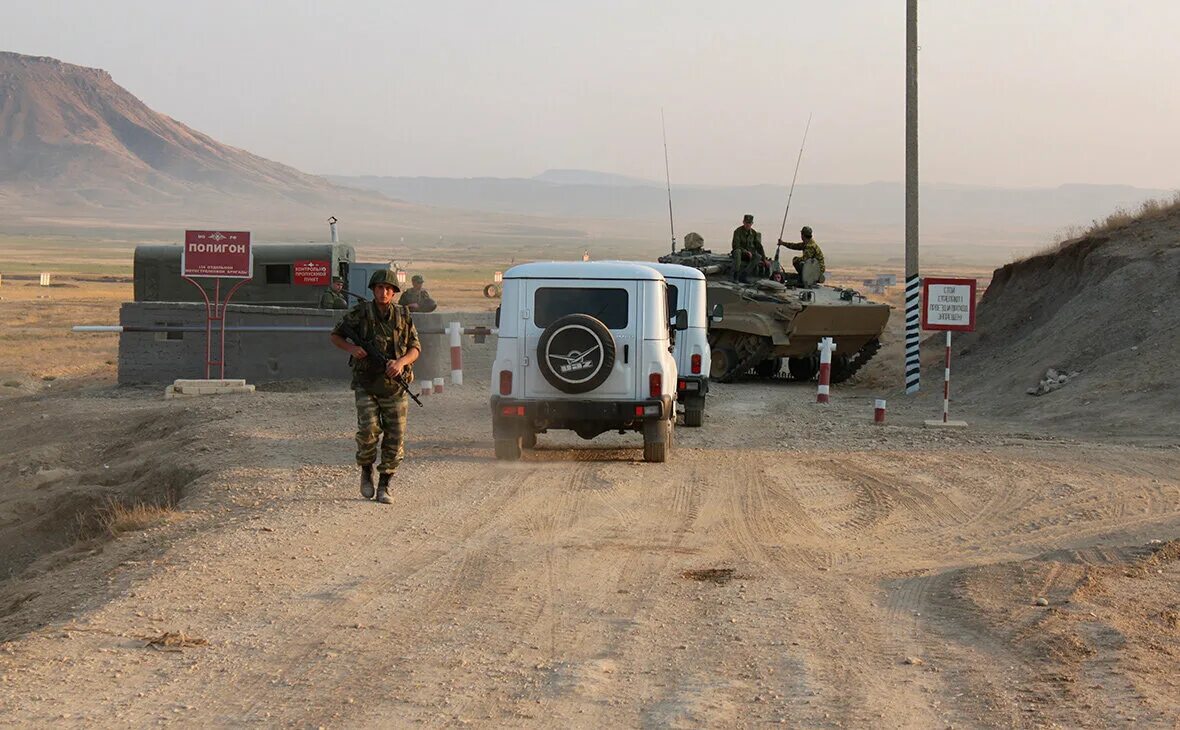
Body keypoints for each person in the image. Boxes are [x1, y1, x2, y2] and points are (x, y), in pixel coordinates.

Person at [329, 270, 421, 505]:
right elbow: (336, 336)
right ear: (373, 290)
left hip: (395, 386)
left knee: (396, 435)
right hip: (366, 382)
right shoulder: (360, 313)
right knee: (369, 431)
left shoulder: (403, 315)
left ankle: (385, 484)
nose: (384, 292)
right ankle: (366, 469)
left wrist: (400, 363)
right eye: (379, 288)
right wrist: (352, 350)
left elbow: (415, 348)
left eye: (388, 288)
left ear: (394, 292)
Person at [731, 214, 765, 280]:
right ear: (743, 222)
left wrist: (764, 259)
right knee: (737, 252)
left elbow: (759, 247)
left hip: (749, 255)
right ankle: (736, 274)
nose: (748, 225)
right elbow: (736, 245)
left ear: (752, 223)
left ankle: (744, 274)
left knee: (758, 256)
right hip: (740, 253)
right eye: (746, 223)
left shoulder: (754, 233)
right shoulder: (738, 232)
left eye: (749, 223)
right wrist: (745, 251)